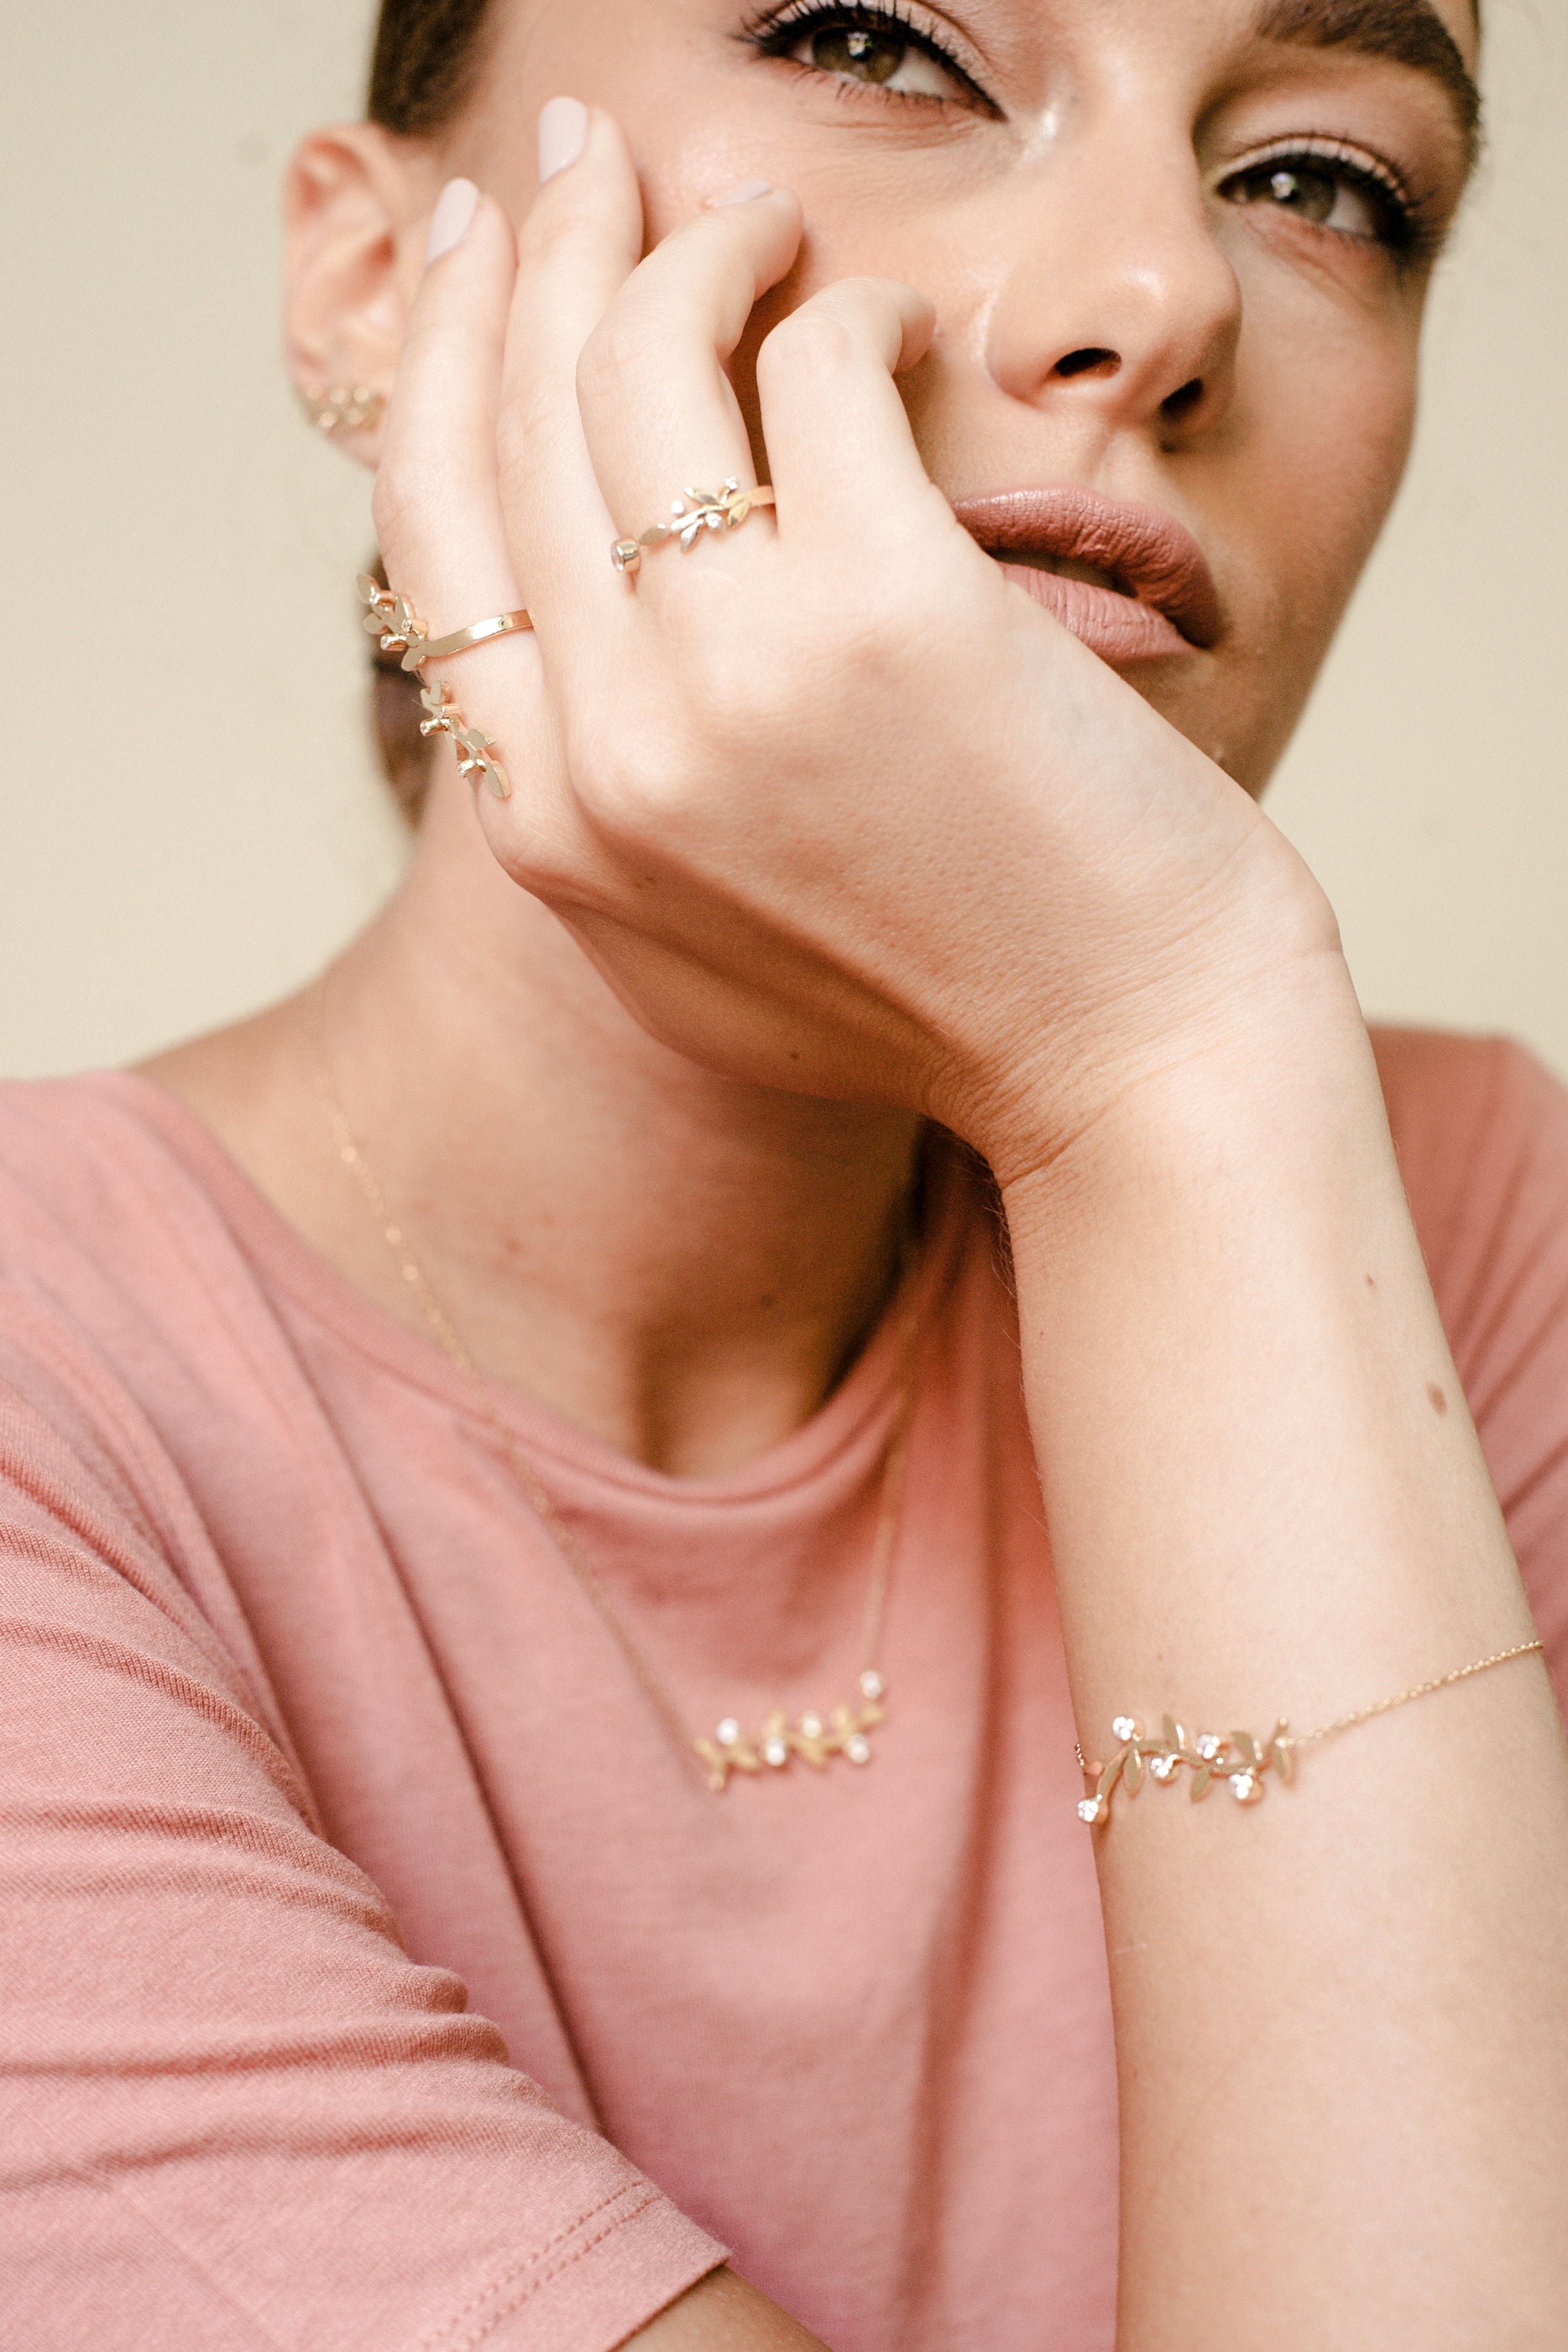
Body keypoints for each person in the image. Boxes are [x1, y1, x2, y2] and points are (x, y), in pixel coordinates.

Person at [4, 1, 1567, 2345]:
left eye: (1323, 182)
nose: (1169, 294)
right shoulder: (57, 1407)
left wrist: (1178, 1074)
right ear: (373, 286)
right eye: (883, 40)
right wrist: (1155, 1057)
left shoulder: (1459, 1228)